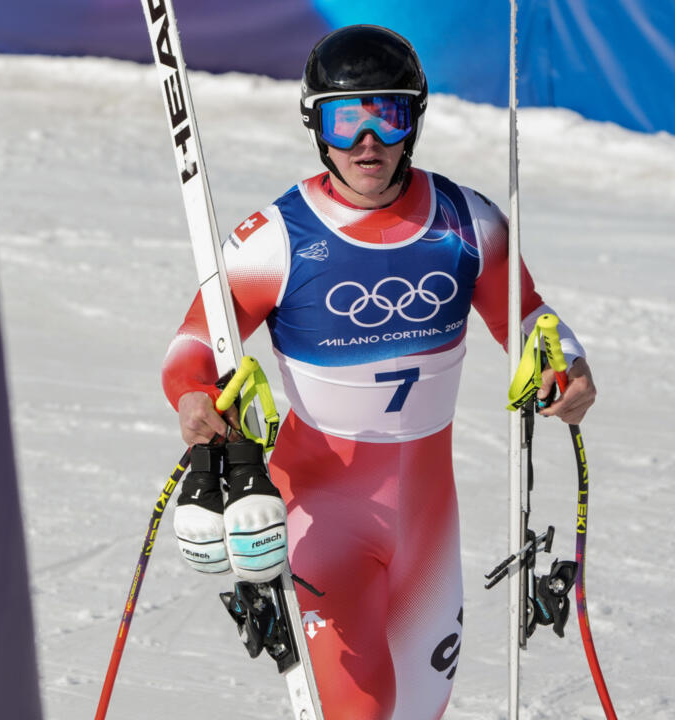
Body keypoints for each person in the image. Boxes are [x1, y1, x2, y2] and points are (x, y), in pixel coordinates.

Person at [160, 25, 597, 720]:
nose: (368, 141)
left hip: (428, 525)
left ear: (414, 120)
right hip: (321, 519)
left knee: (420, 711)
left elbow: (529, 318)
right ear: (317, 127)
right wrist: (192, 399)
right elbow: (192, 343)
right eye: (346, 117)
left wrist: (566, 369)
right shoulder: (275, 238)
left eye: (387, 115)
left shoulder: (467, 223)